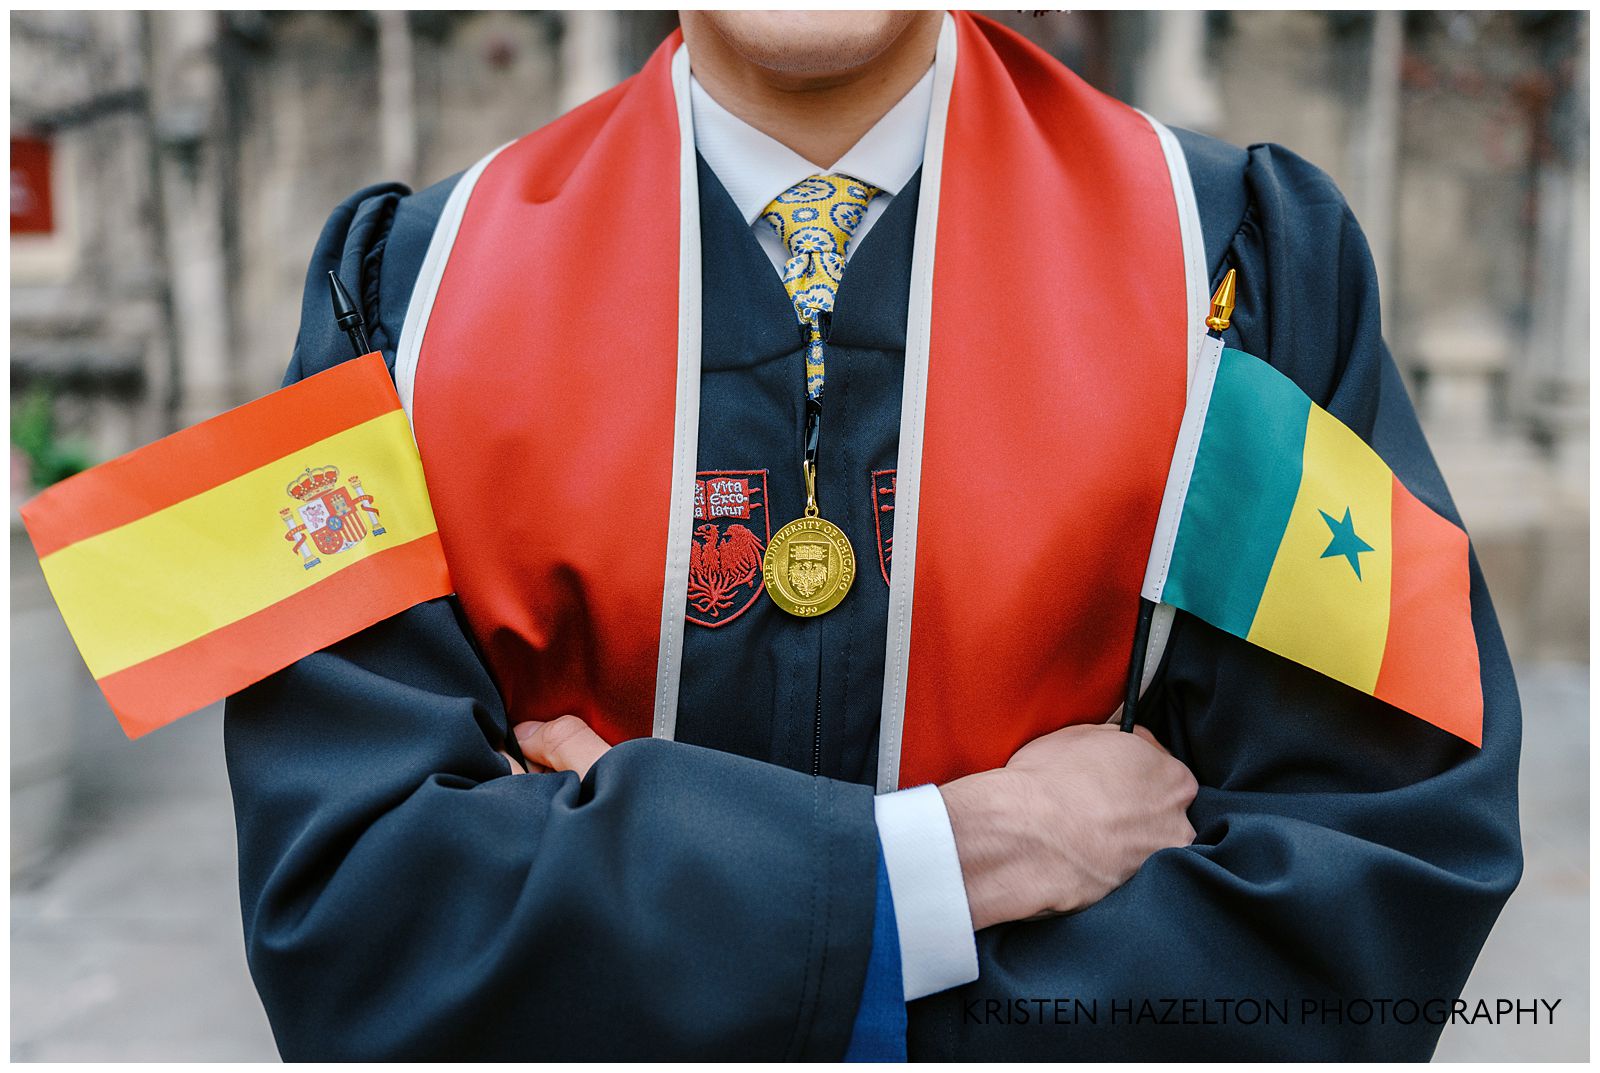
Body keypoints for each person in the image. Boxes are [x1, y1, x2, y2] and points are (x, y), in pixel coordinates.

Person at [224, 10, 1521, 1060]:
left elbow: (1364, 909)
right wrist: (942, 868)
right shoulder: (399, 295)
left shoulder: (1245, 274)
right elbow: (349, 930)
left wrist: (621, 908)